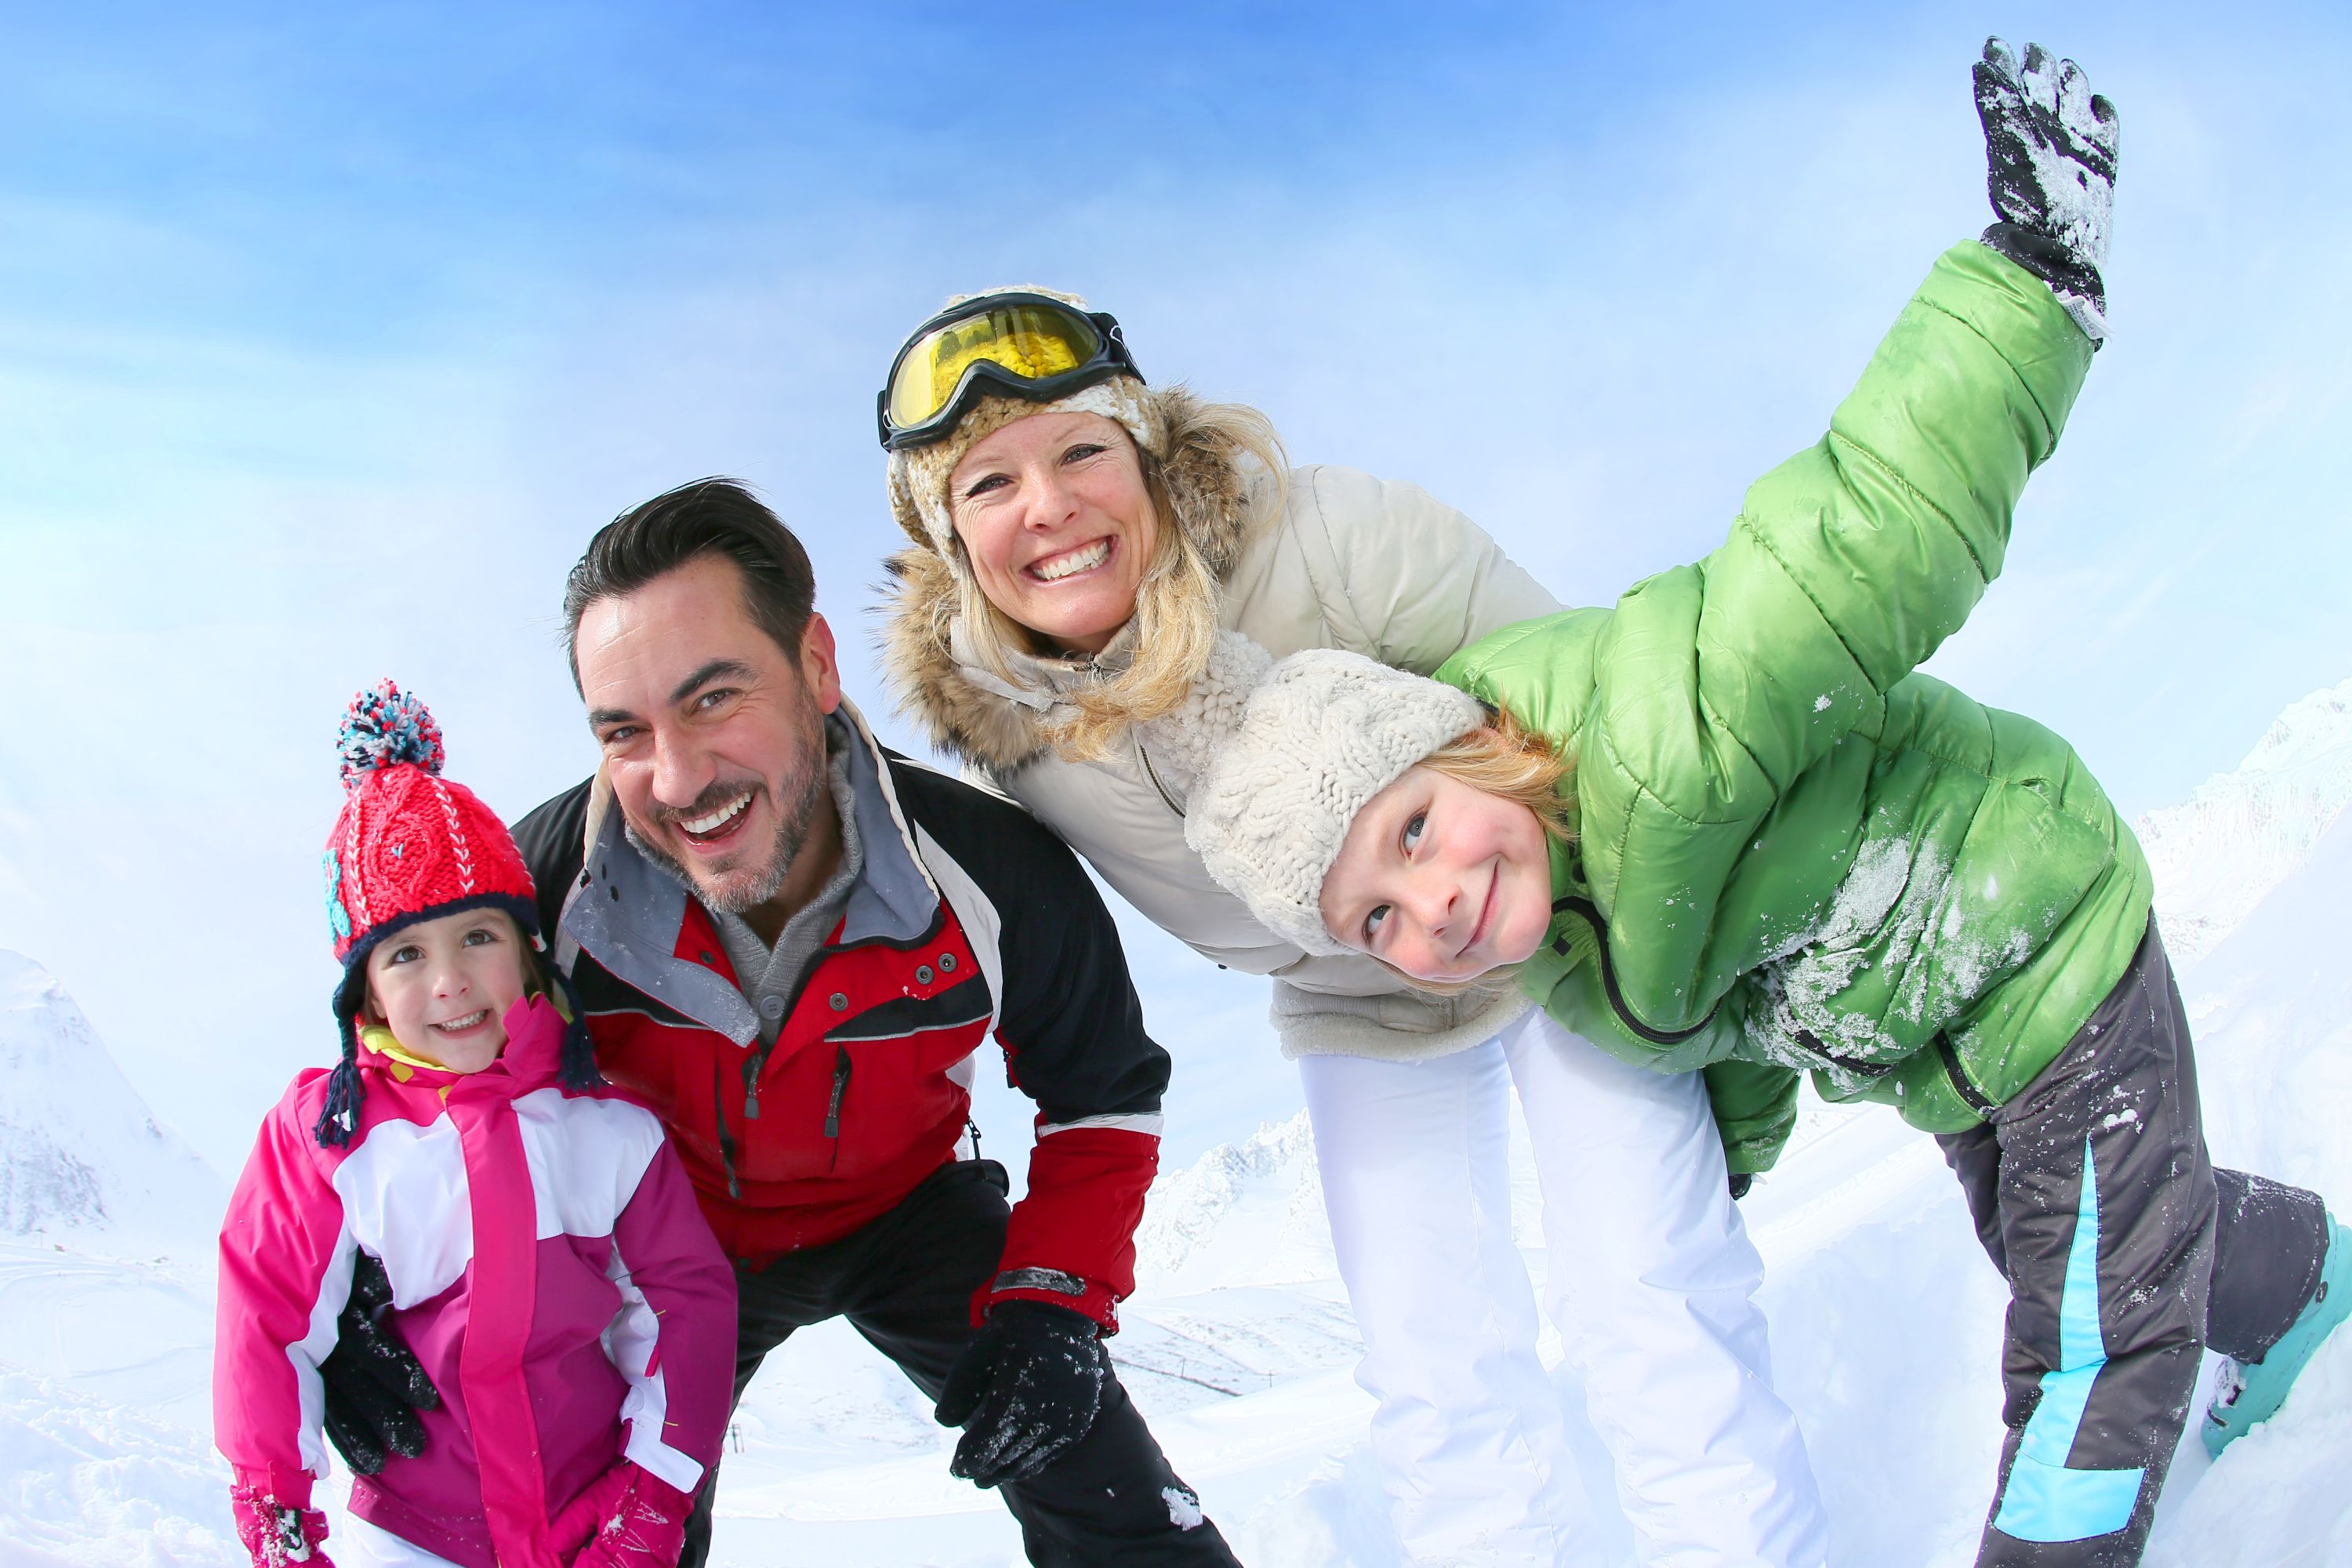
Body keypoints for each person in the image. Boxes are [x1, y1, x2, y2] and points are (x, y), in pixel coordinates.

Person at [1171, 42, 2352, 1568]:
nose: (1432, 904)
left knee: (2085, 1354)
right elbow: (1706, 1012)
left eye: (1409, 834)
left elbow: (1864, 529)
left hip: (2042, 943)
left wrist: (2031, 286)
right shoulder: (1568, 939)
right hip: (1955, 1046)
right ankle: (2300, 1274)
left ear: (1463, 747)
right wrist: (1722, 1147)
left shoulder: (1676, 717)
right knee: (2061, 1243)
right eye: (1375, 921)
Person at [877, 107, 1817, 1568]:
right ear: (949, 543)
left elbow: (1592, 724)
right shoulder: (1015, 748)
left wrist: (1681, 973)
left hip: (1560, 921)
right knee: (1441, 1374)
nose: (1048, 510)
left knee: (1649, 1294)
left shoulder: (1334, 539)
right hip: (1352, 997)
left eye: (1077, 453)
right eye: (989, 485)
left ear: (1143, 449)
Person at [315, 490, 1242, 1567]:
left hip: (911, 1216)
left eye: (713, 700)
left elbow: (1101, 1092)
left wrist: (1056, 1305)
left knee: (1110, 1492)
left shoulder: (989, 869)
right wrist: (364, 1296)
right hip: (667, 1239)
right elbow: (402, 1087)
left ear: (814, 665)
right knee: (603, 1531)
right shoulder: (538, 900)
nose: (677, 778)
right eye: (625, 731)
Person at [214, 682, 736, 1568]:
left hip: (591, 1514)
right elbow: (267, 1325)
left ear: (530, 951)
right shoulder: (327, 1137)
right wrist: (277, 1511)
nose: (450, 980)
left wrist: (651, 1499)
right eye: (407, 953)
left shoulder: (608, 1128)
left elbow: (683, 1310)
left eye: (480, 937)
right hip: (418, 1527)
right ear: (365, 990)